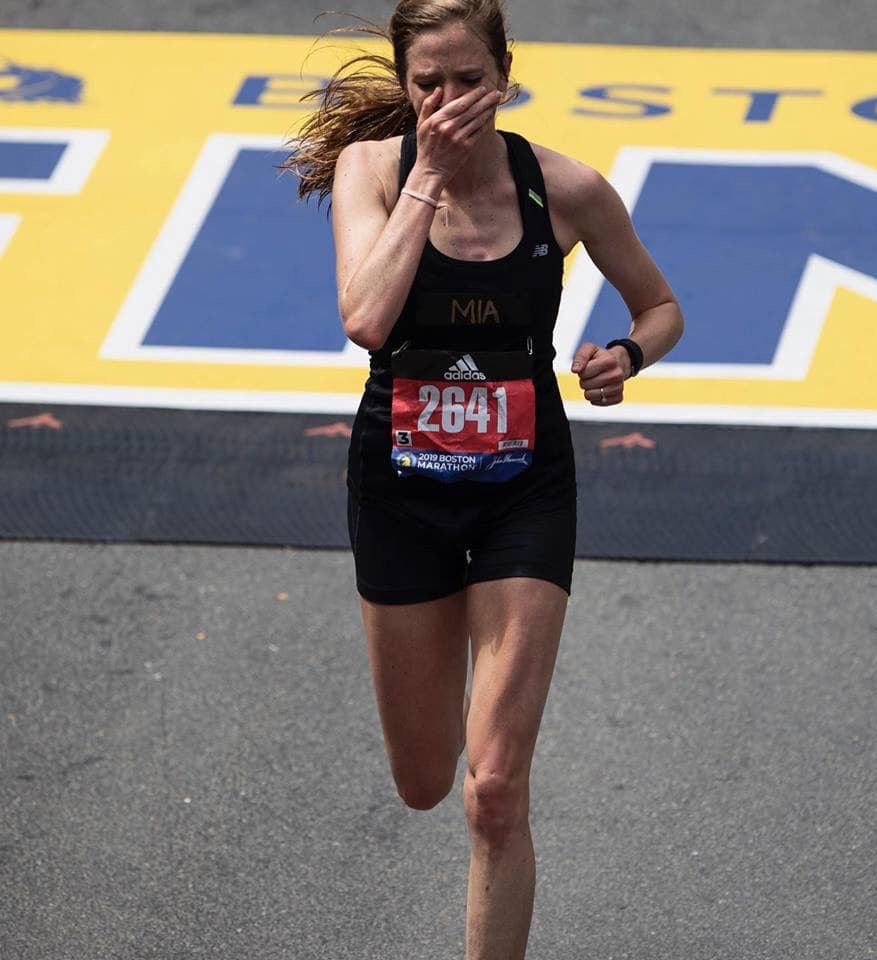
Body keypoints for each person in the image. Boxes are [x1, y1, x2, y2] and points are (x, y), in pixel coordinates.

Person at [286, 2, 683, 956]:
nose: (450, 100)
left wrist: (626, 354)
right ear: (405, 85)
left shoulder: (566, 188)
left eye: (470, 80)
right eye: (429, 83)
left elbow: (662, 305)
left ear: (504, 75)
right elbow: (367, 319)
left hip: (523, 492)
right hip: (400, 489)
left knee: (495, 789)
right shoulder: (372, 172)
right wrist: (425, 175)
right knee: (425, 779)